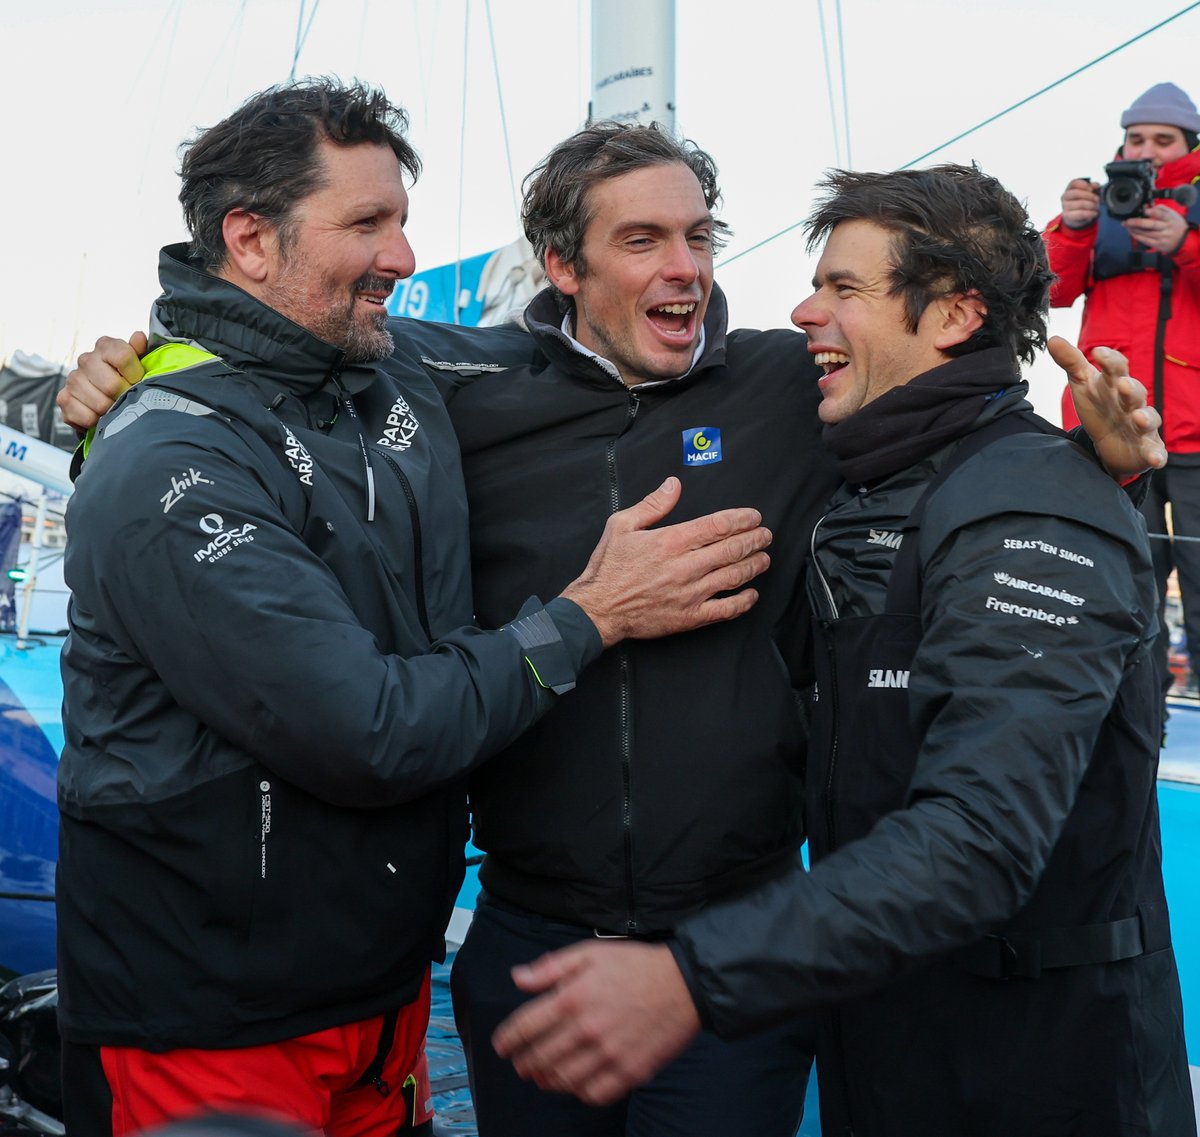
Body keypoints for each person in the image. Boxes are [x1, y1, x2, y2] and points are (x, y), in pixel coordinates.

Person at [60, 132, 1169, 1137]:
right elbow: (282, 345)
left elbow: (949, 423)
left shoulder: (795, 385)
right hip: (528, 944)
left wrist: (1100, 468)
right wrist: (132, 373)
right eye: (642, 240)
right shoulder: (454, 386)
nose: (686, 268)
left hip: (733, 955)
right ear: (563, 268)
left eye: (700, 237)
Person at [54, 82, 778, 1137]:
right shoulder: (171, 455)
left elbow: (581, 353)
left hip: (379, 994)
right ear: (249, 240)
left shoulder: (390, 380)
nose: (403, 255)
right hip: (207, 1019)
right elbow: (368, 730)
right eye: (367, 224)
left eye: (400, 219)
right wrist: (590, 617)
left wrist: (1092, 465)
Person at [492, 164, 1196, 1137]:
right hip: (895, 1042)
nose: (802, 310)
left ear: (952, 317)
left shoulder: (1030, 504)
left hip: (1038, 1069)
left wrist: (693, 978)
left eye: (843, 290)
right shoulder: (879, 490)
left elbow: (980, 838)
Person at [1048, 82, 1200, 694]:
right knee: (1116, 588)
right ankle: (1136, 718)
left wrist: (1185, 246)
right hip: (1109, 433)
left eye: (1164, 139)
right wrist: (1074, 228)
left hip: (1194, 437)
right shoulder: (1097, 207)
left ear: (1190, 144)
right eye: (1138, 138)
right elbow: (1048, 290)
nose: (1149, 149)